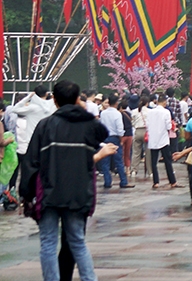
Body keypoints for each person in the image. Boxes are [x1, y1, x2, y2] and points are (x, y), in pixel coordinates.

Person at [19, 80, 118, 281]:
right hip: (78, 192)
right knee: (77, 242)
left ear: (54, 100)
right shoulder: (89, 125)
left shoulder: (45, 125)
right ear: (76, 99)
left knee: (47, 242)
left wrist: (26, 194)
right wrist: (81, 108)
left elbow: (31, 163)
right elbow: (103, 133)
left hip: (49, 192)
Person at [97, 95, 133, 190]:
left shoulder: (103, 113)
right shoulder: (117, 114)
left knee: (105, 161)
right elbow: (120, 129)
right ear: (116, 103)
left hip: (105, 138)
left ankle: (107, 182)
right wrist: (121, 140)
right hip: (115, 138)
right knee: (118, 161)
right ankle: (123, 181)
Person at [145, 94, 177, 189]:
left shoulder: (150, 112)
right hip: (163, 139)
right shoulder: (166, 112)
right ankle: (172, 181)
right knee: (167, 161)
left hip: (153, 139)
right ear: (164, 102)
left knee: (153, 162)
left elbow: (147, 124)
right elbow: (168, 126)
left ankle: (156, 182)